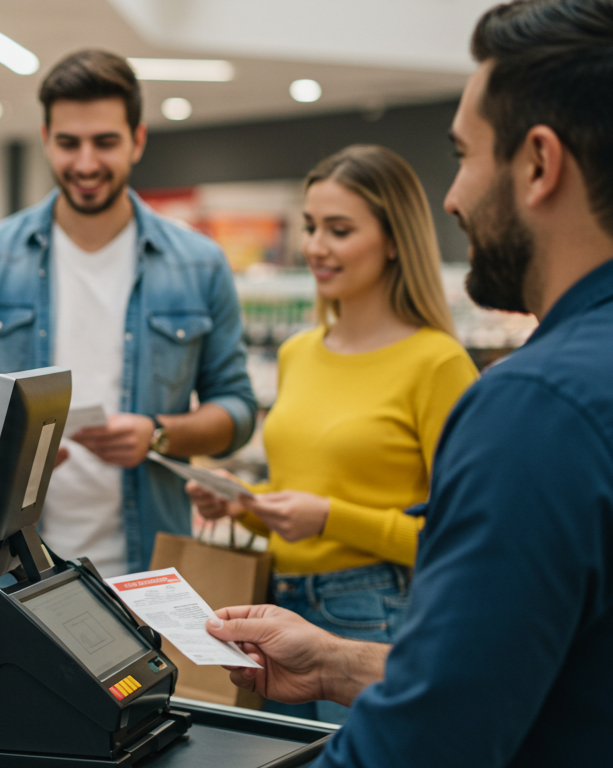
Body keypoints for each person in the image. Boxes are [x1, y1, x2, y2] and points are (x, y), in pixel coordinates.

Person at [205, 1, 613, 764]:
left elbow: (429, 740)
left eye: (463, 155)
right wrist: (338, 661)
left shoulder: (533, 406)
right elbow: (526, 669)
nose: (452, 197)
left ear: (539, 163)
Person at [0, 49, 257, 576]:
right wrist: (2, 448)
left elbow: (235, 408)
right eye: (68, 143)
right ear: (45, 138)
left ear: (138, 139)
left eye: (105, 142)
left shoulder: (198, 263)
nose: (85, 164)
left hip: (149, 567)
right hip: (12, 566)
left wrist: (159, 433)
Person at [187, 145, 478, 724]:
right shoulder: (298, 353)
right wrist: (243, 504)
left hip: (376, 615)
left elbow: (459, 537)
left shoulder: (437, 364)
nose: (316, 246)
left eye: (339, 230)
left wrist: (330, 518)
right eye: (311, 227)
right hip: (274, 606)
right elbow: (302, 487)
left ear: (395, 239)